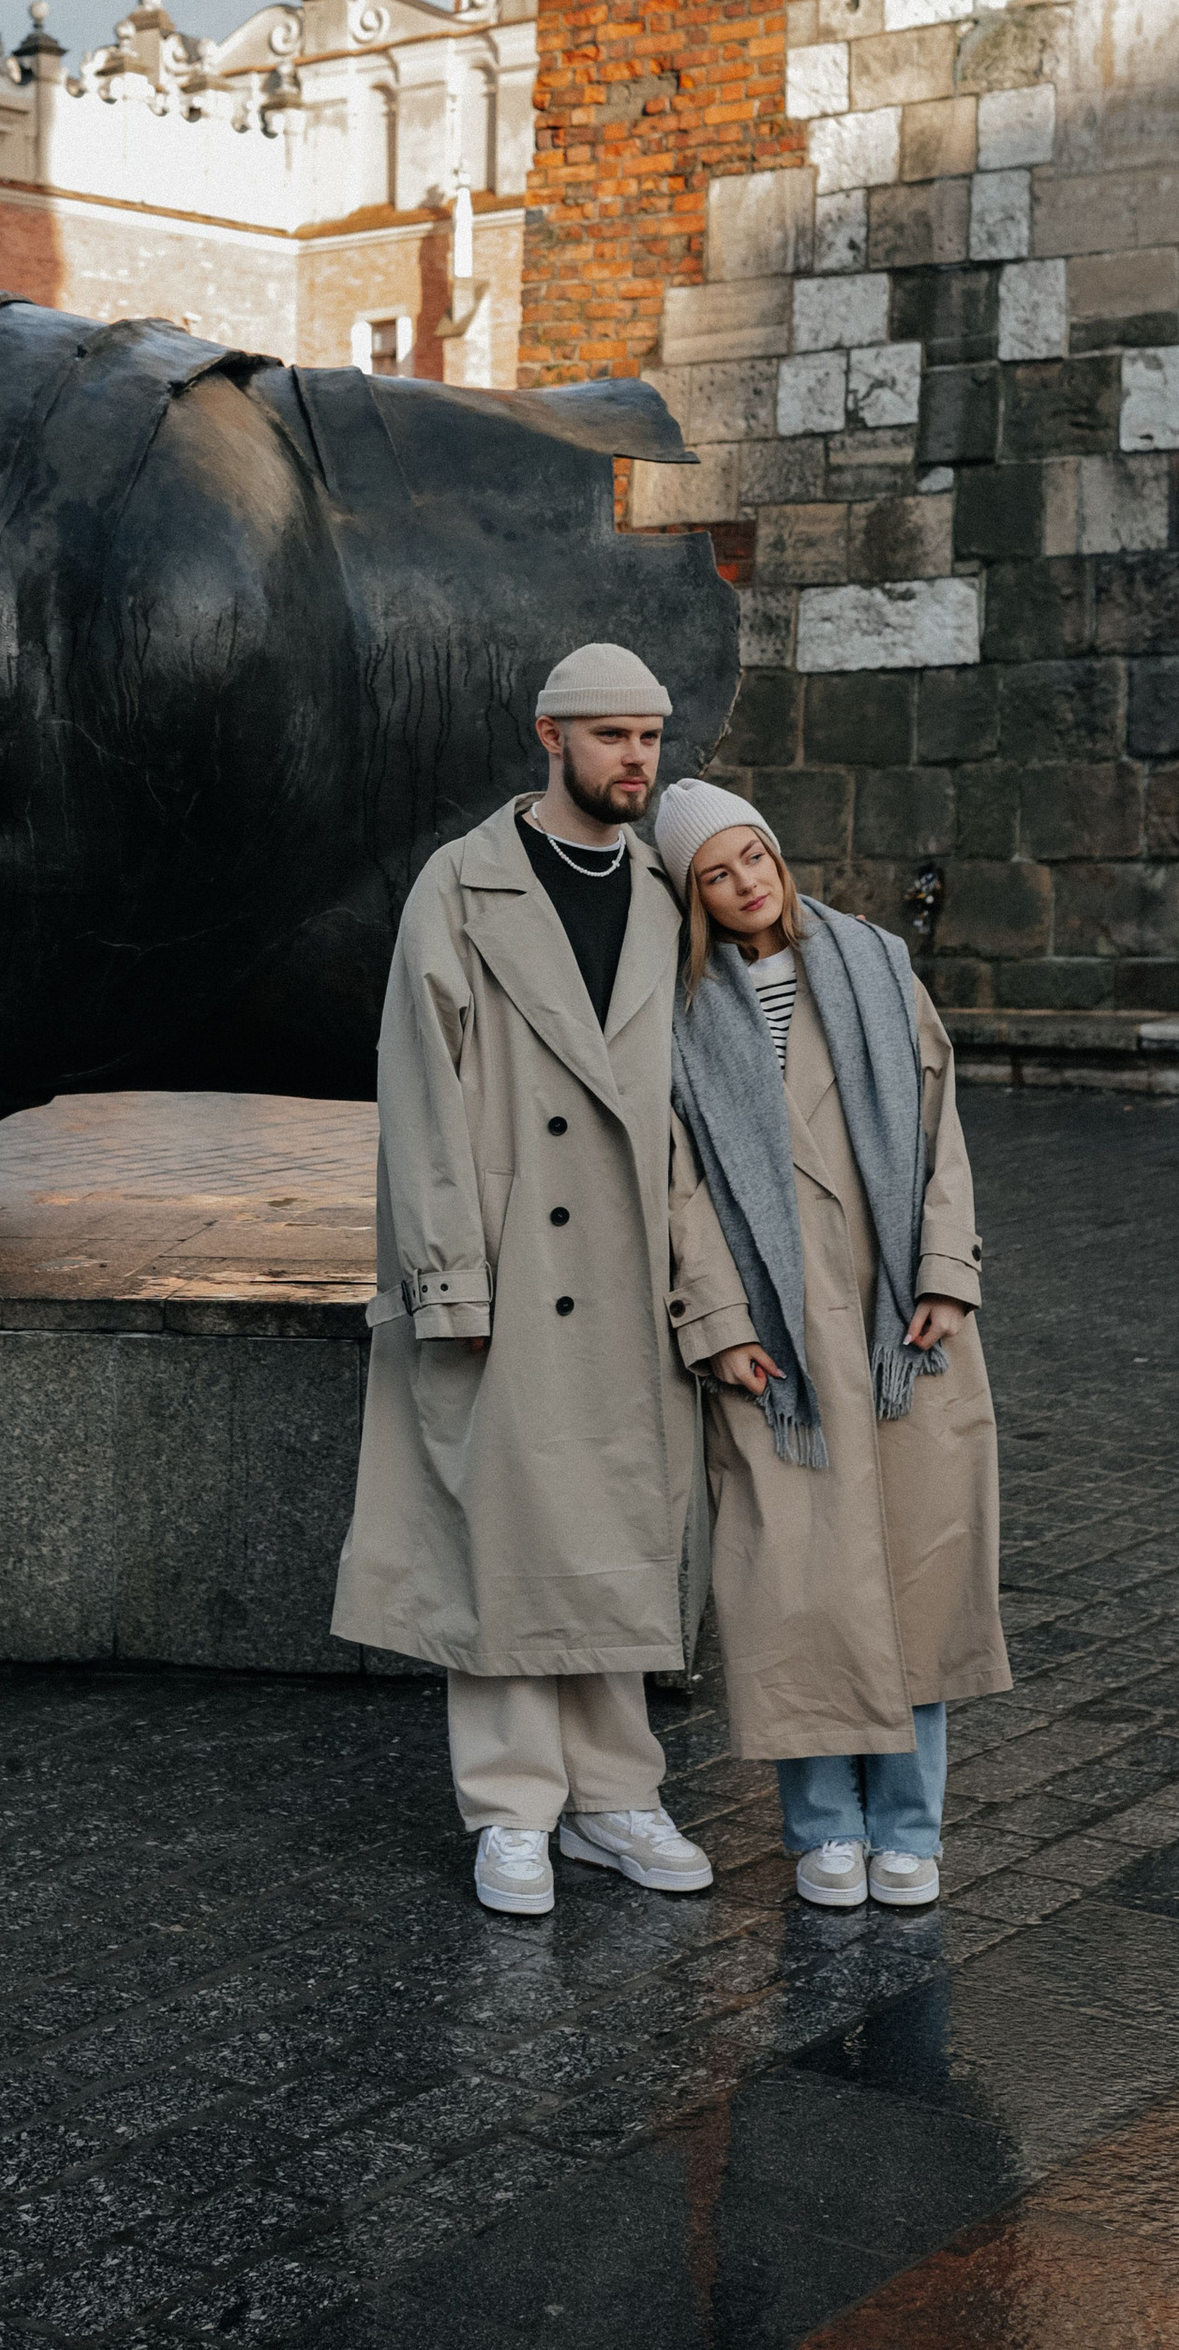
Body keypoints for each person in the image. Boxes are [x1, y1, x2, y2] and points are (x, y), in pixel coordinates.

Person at [331, 642, 715, 1916]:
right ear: (548, 736)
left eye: (650, 740)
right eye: (611, 738)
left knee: (618, 1534)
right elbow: (418, 1093)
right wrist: (447, 1277)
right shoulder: (465, 884)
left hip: (631, 1271)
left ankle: (613, 1797)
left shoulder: (667, 890)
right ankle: (510, 1810)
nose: (635, 761)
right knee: (497, 1543)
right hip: (509, 1262)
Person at [654, 779, 1008, 1910]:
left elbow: (937, 1124)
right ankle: (821, 1827)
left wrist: (947, 1276)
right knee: (797, 1588)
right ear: (693, 896)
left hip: (894, 1312)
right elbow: (680, 1186)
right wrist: (717, 1326)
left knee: (914, 1575)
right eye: (719, 872)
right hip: (779, 1331)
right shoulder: (677, 1011)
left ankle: (909, 1826)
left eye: (754, 854)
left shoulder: (869, 964)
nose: (748, 881)